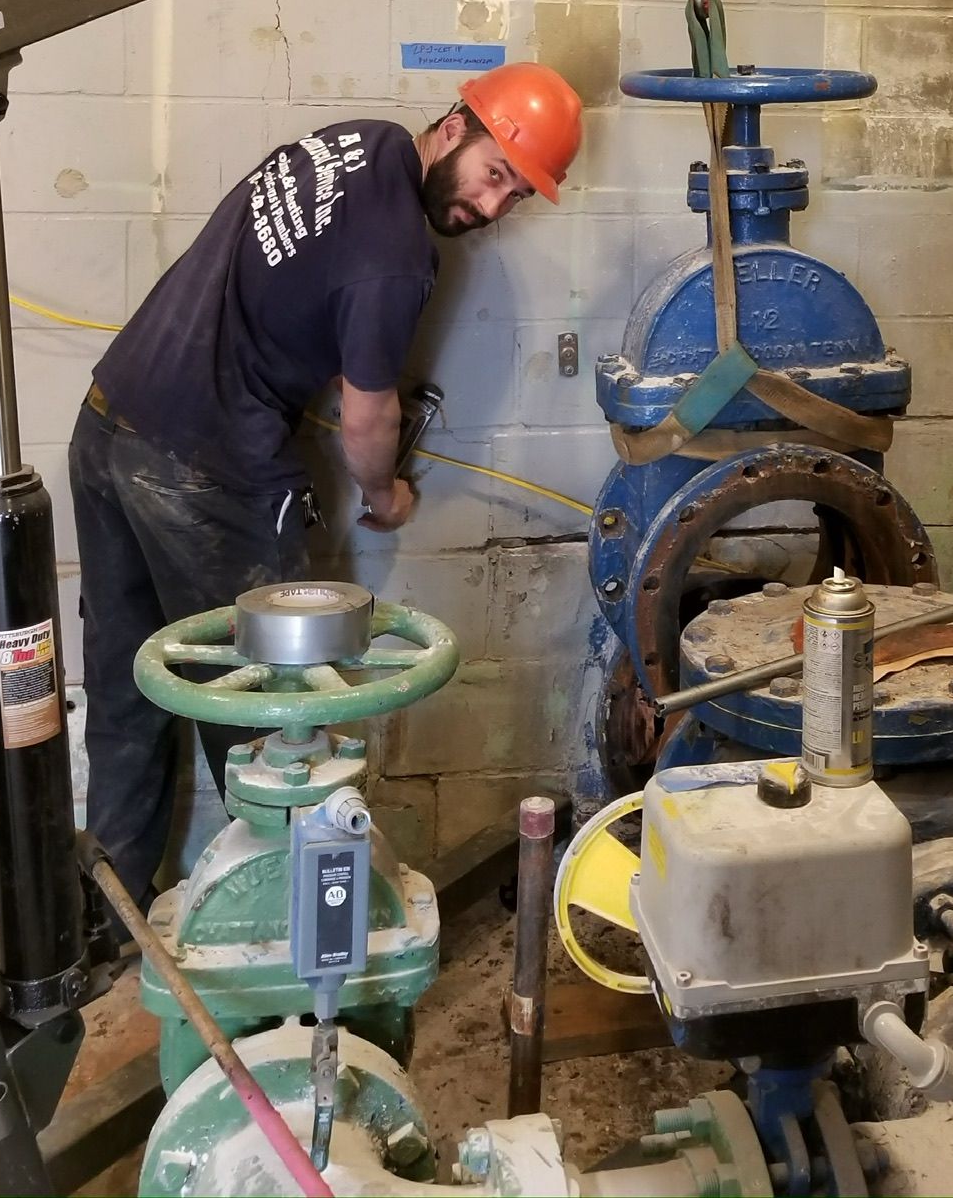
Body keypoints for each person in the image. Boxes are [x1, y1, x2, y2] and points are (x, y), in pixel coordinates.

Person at [69, 62, 583, 912]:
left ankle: (105, 924)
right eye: (497, 175)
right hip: (204, 469)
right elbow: (366, 421)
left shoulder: (362, 144)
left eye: (516, 196)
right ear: (455, 128)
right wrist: (387, 499)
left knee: (130, 690)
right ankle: (292, 933)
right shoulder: (399, 260)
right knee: (272, 720)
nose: (492, 209)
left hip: (110, 421)